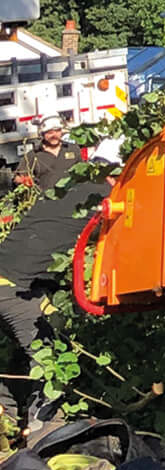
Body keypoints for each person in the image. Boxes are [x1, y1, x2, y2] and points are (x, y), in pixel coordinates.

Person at [0, 119, 95, 429]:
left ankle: (9, 418)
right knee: (50, 362)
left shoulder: (65, 190)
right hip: (13, 290)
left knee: (19, 355)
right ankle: (44, 431)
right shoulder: (101, 201)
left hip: (11, 278)